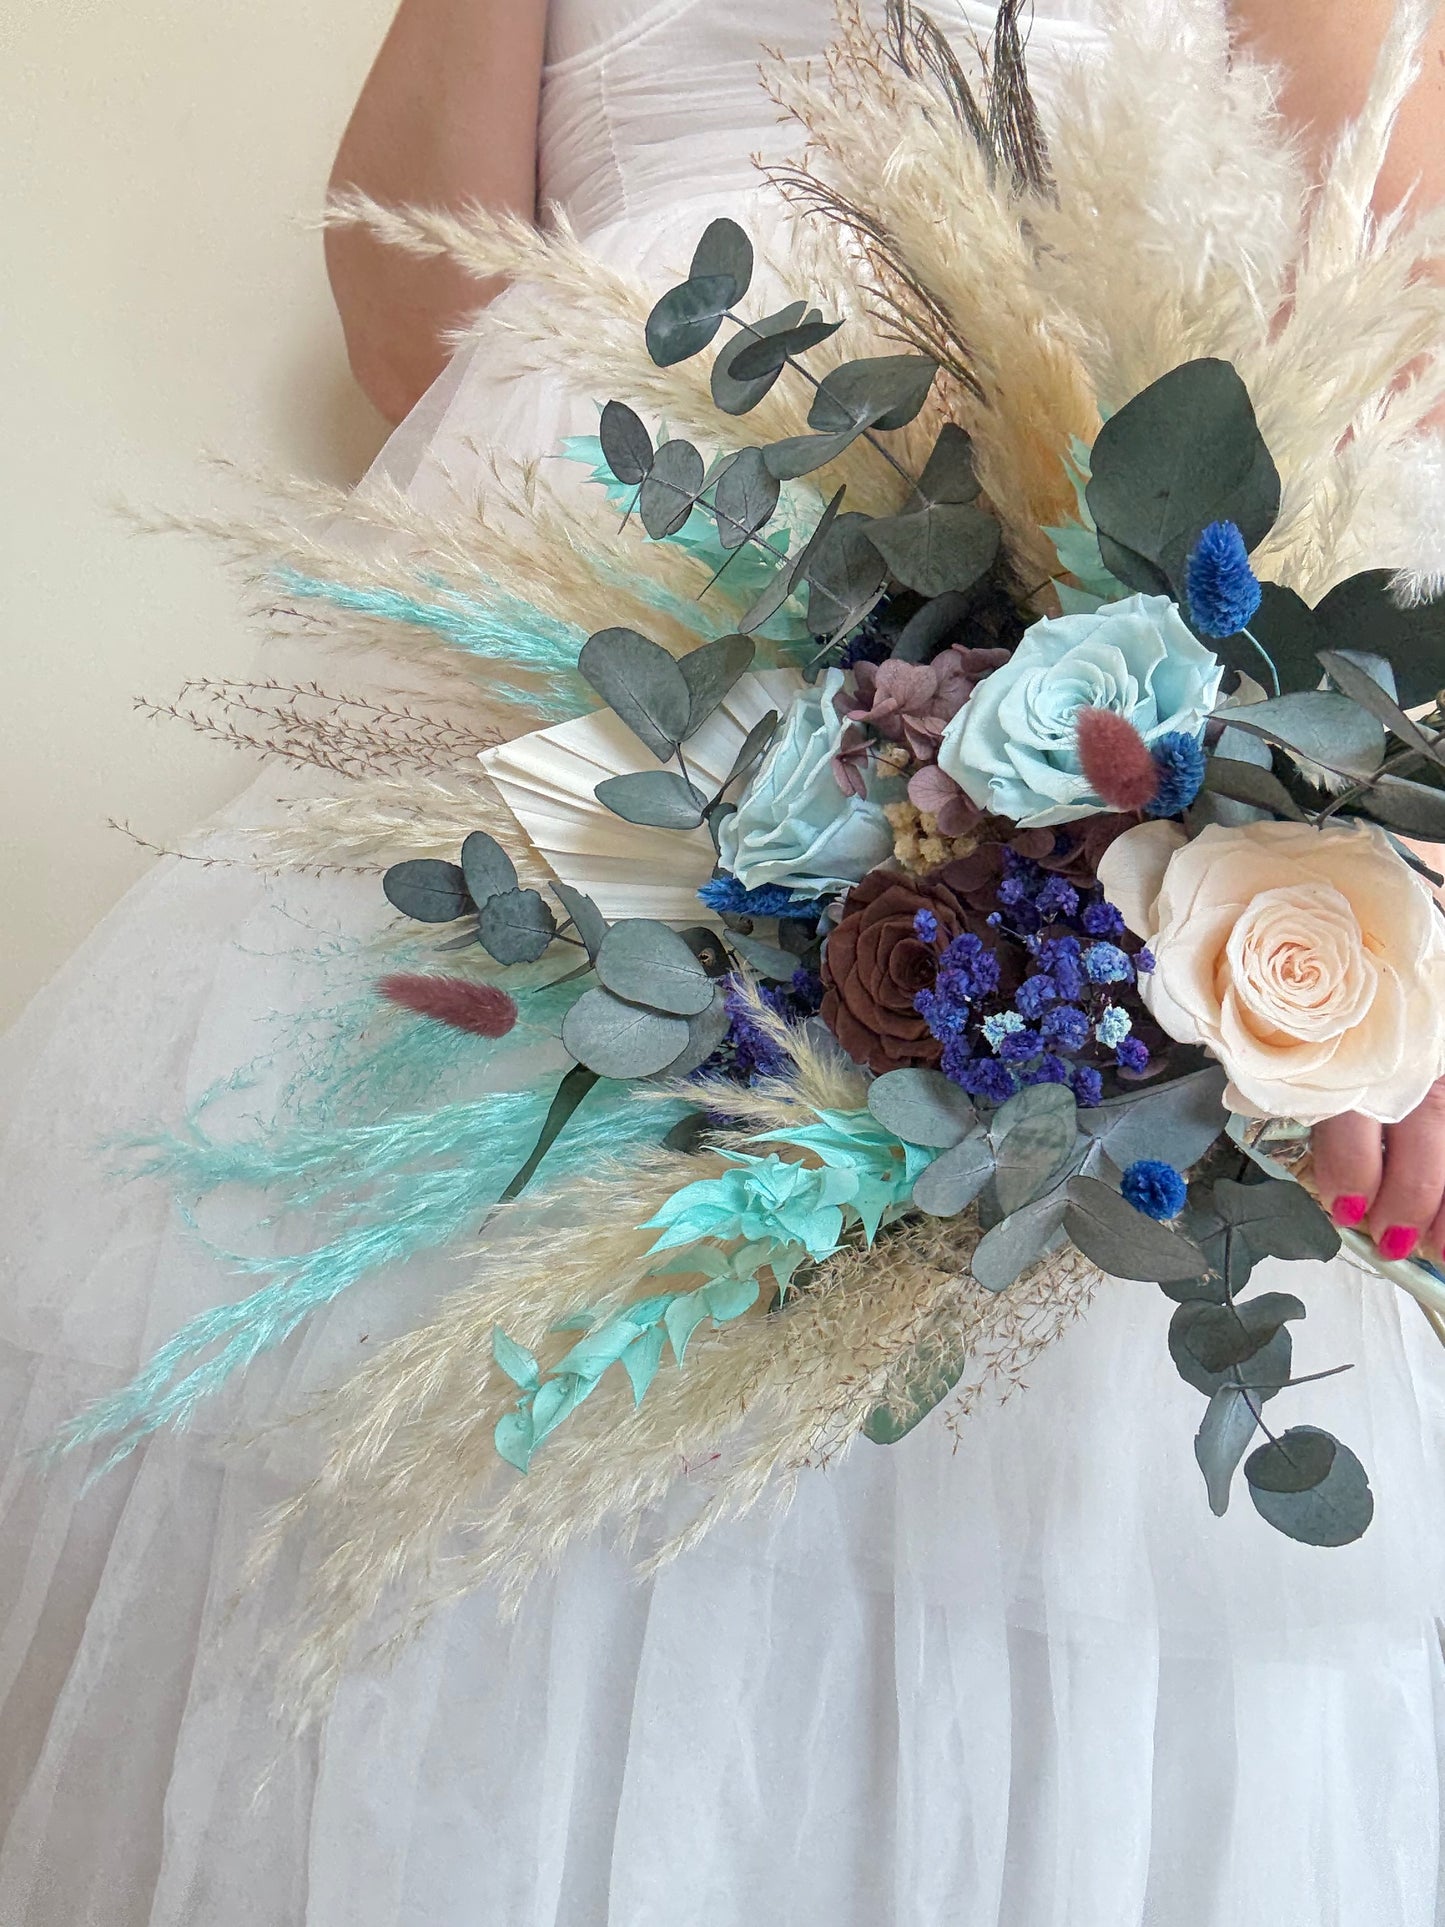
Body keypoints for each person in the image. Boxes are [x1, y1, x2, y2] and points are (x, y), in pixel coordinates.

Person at [4, 4, 1445, 1922]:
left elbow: (1377, 329)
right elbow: (410, 305)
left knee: (1021, 1445)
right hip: (594, 584)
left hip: (1091, 555)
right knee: (448, 1373)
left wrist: (1384, 869)